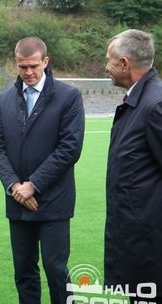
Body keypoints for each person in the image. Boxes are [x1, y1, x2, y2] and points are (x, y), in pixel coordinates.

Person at [0, 37, 85, 304]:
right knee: (23, 271)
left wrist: (33, 185)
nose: (28, 72)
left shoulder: (68, 96)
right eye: (22, 67)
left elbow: (70, 148)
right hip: (18, 200)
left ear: (46, 62)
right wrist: (14, 186)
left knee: (55, 270)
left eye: (33, 66)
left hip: (54, 200)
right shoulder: (5, 99)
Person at [104, 29, 162, 303]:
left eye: (110, 61)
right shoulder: (138, 100)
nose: (107, 67)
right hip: (131, 237)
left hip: (147, 243)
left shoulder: (155, 105)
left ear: (125, 64)